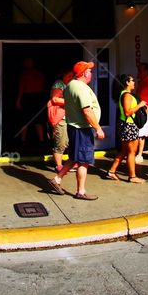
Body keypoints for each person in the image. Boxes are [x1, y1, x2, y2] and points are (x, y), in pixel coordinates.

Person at [48, 61, 104, 200]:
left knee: (74, 157)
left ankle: (57, 180)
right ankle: (81, 191)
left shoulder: (70, 86)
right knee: (83, 161)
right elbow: (87, 110)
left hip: (74, 127)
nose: (91, 73)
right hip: (82, 129)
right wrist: (98, 128)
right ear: (84, 73)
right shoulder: (81, 88)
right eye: (89, 71)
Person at [105, 74, 148, 183]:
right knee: (131, 152)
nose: (134, 82)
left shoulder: (125, 94)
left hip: (127, 125)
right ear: (127, 82)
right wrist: (140, 105)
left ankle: (111, 171)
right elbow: (127, 111)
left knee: (124, 151)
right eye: (132, 80)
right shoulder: (126, 95)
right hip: (129, 125)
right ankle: (132, 176)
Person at [15, 57, 46, 145]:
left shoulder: (25, 74)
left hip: (29, 97)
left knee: (27, 119)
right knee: (36, 120)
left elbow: (22, 87)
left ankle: (24, 140)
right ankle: (41, 140)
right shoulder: (39, 74)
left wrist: (18, 100)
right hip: (38, 97)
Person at [47, 67, 72, 171]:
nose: (71, 78)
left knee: (69, 141)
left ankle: (69, 164)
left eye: (73, 76)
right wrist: (72, 102)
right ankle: (59, 166)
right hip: (60, 117)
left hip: (70, 118)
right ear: (64, 75)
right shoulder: (59, 84)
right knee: (61, 142)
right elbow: (55, 99)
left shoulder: (70, 85)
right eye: (69, 75)